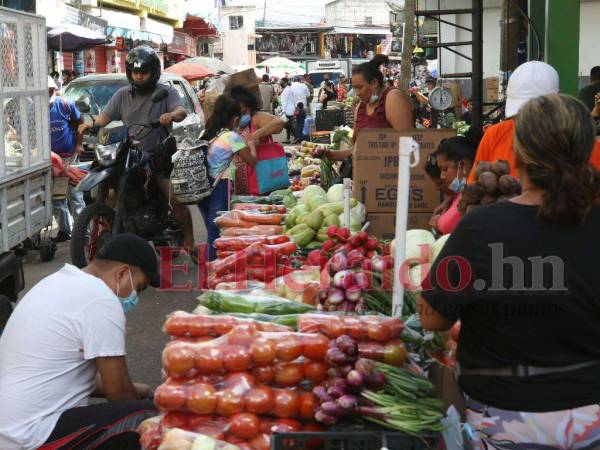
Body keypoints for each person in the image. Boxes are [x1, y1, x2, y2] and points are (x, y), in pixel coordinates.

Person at [418, 94, 600, 449]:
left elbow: (433, 318)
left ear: (519, 151)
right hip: (590, 414)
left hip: (503, 415)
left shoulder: (483, 226)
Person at [0, 234, 160, 450]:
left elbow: (70, 377)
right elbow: (119, 394)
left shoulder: (58, 282)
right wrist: (145, 401)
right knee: (150, 418)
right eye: (138, 287)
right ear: (122, 273)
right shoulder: (101, 299)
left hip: (9, 430)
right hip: (30, 436)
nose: (135, 297)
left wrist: (137, 389)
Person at [77, 46, 196, 256]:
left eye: (143, 72)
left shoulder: (165, 92)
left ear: (153, 72)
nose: (139, 77)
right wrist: (91, 122)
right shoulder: (122, 95)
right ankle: (114, 232)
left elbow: (181, 110)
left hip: (158, 155)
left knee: (174, 198)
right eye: (135, 72)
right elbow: (106, 117)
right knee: (111, 194)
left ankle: (190, 241)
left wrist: (171, 116)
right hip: (128, 152)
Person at [469, 61, 600, 182]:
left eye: (536, 115)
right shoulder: (495, 135)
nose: (528, 122)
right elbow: (473, 190)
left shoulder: (584, 147)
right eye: (520, 115)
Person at [200, 96, 256, 261]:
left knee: (210, 227)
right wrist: (252, 145)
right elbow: (251, 161)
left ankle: (212, 265)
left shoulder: (207, 132)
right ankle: (213, 268)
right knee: (216, 230)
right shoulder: (231, 137)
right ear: (235, 118)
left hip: (202, 185)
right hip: (220, 185)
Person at [328, 54, 413, 163]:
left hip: (390, 176)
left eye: (360, 87)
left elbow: (408, 143)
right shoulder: (360, 107)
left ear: (374, 83)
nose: (357, 93)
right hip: (365, 176)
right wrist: (330, 154)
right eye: (354, 88)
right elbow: (357, 151)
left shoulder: (393, 98)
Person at [48, 75, 86, 242]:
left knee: (76, 197)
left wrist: (79, 144)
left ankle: (82, 233)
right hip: (52, 162)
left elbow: (81, 122)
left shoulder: (65, 104)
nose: (49, 94)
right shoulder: (35, 108)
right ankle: (65, 231)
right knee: (57, 199)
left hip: (70, 158)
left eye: (50, 91)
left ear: (53, 90)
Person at [229, 85, 285, 195]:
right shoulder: (233, 121)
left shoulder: (256, 117)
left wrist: (256, 134)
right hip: (239, 178)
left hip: (261, 176)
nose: (242, 115)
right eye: (239, 112)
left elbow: (279, 124)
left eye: (245, 111)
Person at [428, 129, 482, 235]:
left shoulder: (476, 193)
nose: (442, 176)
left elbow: (447, 225)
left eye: (444, 169)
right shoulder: (461, 193)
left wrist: (437, 222)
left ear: (462, 165)